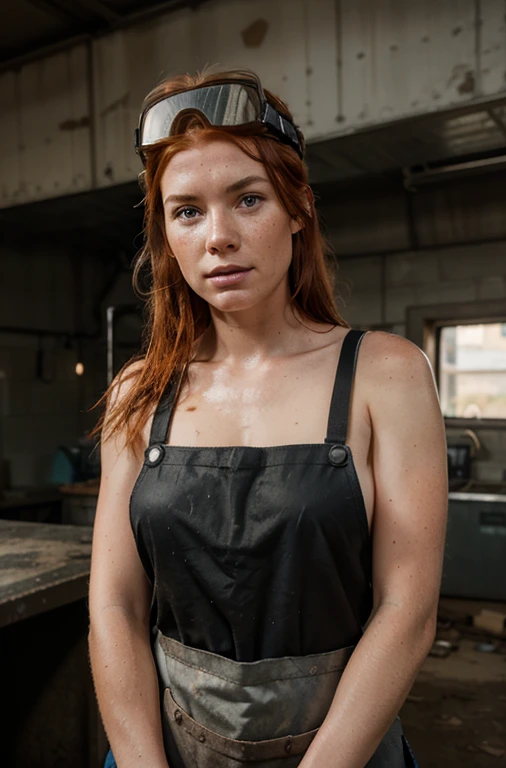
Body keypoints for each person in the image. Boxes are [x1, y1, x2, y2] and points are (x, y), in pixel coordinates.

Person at [88, 69, 448, 768]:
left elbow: (407, 613)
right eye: (186, 211)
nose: (217, 236)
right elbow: (115, 608)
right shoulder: (140, 393)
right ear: (166, 232)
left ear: (298, 208)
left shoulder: (386, 374)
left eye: (247, 199)